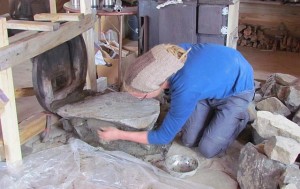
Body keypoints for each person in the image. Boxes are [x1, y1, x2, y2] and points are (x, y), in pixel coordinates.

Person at [97, 43, 255, 158]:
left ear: (162, 84)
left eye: (141, 96)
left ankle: (240, 117)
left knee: (208, 150)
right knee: (188, 141)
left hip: (237, 90)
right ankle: (217, 117)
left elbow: (163, 137)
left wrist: (118, 134)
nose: (138, 98)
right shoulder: (167, 57)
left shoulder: (185, 89)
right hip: (208, 86)